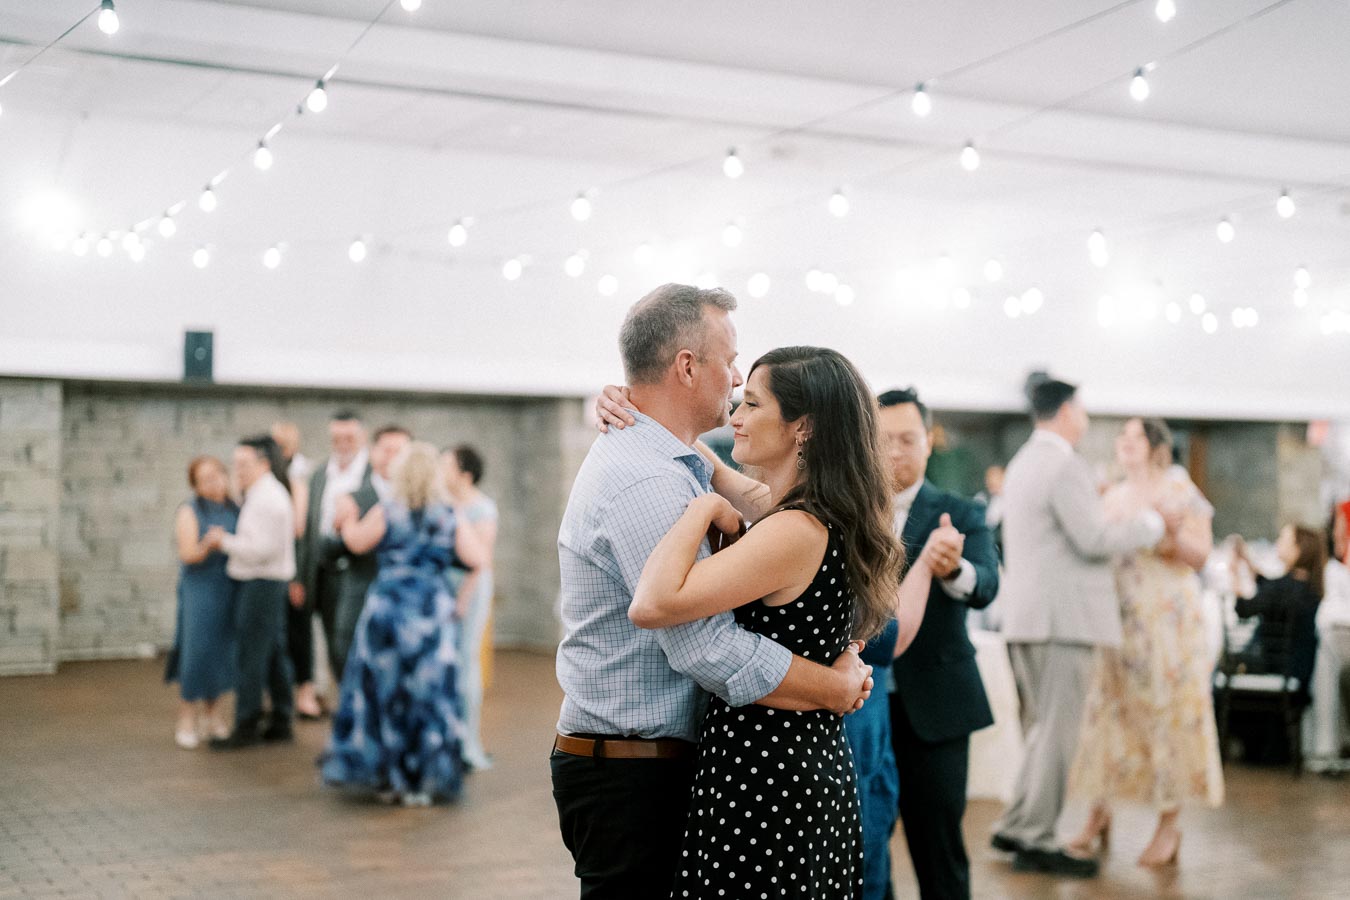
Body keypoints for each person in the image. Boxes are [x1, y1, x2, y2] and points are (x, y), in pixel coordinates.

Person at [552, 284, 876, 900]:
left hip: (732, 766)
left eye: (752, 397)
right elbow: (702, 645)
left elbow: (749, 508)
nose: (734, 382)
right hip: (633, 769)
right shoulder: (650, 480)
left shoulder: (688, 472)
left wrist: (648, 420)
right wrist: (832, 687)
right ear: (686, 366)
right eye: (730, 364)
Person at [989, 379, 1169, 878]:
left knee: (1042, 730)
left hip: (1029, 617)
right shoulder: (1065, 463)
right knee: (1058, 733)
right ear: (1067, 410)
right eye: (1083, 407)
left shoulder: (1024, 462)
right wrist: (1149, 526)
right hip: (1063, 620)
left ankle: (1017, 823)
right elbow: (1092, 538)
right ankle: (1037, 837)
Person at [1067, 418, 1224, 868]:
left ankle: (1168, 824)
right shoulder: (1113, 494)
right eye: (1122, 436)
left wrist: (1168, 534)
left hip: (1167, 622)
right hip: (1118, 619)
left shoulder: (1178, 488)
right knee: (1108, 713)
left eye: (1134, 436)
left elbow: (1200, 555)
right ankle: (1098, 815)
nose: (1124, 443)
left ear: (1156, 446)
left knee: (1165, 715)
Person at [875, 388, 1000, 900]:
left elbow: (987, 584)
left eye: (908, 439)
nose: (895, 451)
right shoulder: (850, 508)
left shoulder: (960, 512)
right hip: (861, 706)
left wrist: (955, 570)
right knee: (864, 845)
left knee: (939, 848)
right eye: (883, 439)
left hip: (936, 705)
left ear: (929, 441)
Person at [320, 441, 486, 805]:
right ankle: (422, 781)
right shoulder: (450, 515)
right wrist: (461, 602)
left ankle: (391, 778)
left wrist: (346, 518)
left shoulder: (387, 511)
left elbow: (356, 543)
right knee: (428, 696)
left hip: (389, 613)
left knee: (387, 693)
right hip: (431, 616)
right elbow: (478, 559)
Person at [208, 436, 297, 750]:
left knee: (251, 655)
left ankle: (246, 725)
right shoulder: (260, 493)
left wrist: (222, 541)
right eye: (235, 463)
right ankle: (281, 720)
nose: (238, 470)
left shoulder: (268, 498)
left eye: (244, 464)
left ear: (264, 463)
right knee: (272, 653)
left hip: (261, 583)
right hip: (265, 583)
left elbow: (261, 550)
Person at [165, 456, 239, 749]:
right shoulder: (190, 510)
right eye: (205, 479)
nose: (214, 482)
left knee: (222, 652)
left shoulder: (235, 507)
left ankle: (213, 714)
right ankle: (186, 717)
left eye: (217, 475)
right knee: (197, 651)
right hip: (200, 588)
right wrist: (209, 543)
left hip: (229, 586)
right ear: (195, 485)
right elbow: (188, 554)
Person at [295, 411, 373, 686]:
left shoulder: (373, 474)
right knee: (334, 643)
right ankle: (346, 695)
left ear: (362, 437)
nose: (343, 443)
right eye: (337, 438)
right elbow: (309, 529)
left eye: (349, 437)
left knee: (357, 639)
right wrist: (300, 576)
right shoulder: (320, 475)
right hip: (324, 572)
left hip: (360, 570)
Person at [441, 443, 498, 772]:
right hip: (443, 588)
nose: (440, 471)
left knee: (466, 661)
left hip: (469, 590)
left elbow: (481, 559)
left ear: (464, 474)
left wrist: (462, 599)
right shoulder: (442, 504)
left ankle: (468, 744)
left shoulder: (483, 508)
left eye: (446, 465)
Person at [1230, 525, 1325, 700]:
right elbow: (1269, 589)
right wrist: (1248, 561)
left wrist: (1234, 575)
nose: (1277, 543)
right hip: (1299, 673)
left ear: (1298, 549)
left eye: (1283, 539)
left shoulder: (1280, 589)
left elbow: (1243, 609)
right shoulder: (1311, 588)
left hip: (1272, 669)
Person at [272, 421, 321, 719]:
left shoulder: (302, 475)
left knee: (300, 632)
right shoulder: (273, 475)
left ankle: (306, 692)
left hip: (296, 567)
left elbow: (300, 531)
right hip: (274, 566)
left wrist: (297, 578)